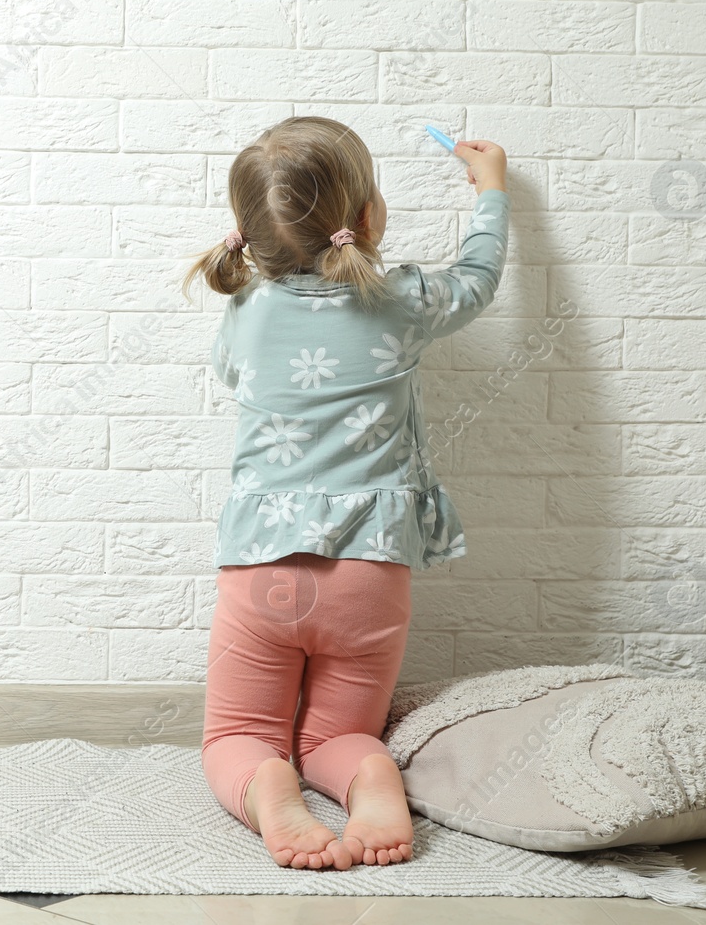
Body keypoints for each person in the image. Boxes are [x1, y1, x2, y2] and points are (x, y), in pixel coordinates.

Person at [187, 116, 509, 870]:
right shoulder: (404, 300)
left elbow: (230, 374)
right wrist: (490, 190)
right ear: (366, 217)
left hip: (263, 567)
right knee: (336, 736)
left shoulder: (247, 310)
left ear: (247, 232)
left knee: (236, 736)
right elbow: (479, 279)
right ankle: (367, 777)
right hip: (370, 571)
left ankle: (269, 784)